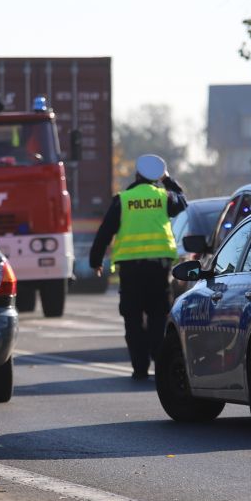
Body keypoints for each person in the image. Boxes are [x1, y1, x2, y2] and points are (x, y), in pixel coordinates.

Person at [89, 153, 187, 380]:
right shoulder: (164, 197)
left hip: (131, 270)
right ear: (156, 176)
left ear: (136, 175)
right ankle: (160, 364)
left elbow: (105, 232)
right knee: (158, 317)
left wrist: (96, 261)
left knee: (132, 318)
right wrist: (167, 179)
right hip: (158, 269)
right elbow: (182, 200)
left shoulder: (123, 200)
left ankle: (139, 367)